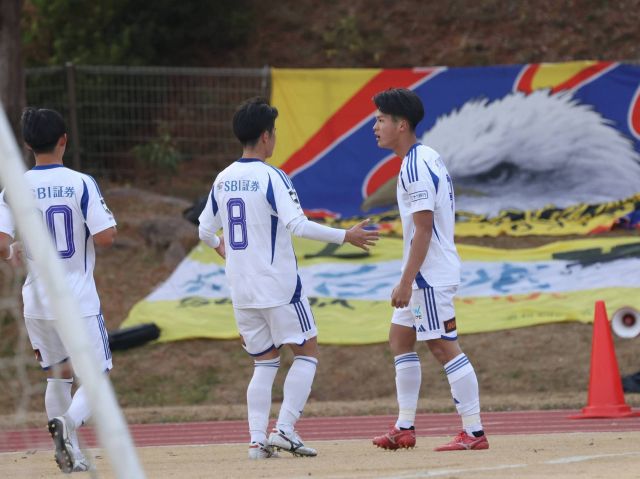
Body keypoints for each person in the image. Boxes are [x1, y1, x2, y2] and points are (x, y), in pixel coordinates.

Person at [198, 97, 379, 459]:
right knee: (307, 351)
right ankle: (284, 429)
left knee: (264, 361)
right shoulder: (272, 176)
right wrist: (345, 235)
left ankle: (256, 442)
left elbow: (204, 230)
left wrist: (221, 246)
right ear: (266, 136)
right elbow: (297, 224)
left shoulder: (223, 178)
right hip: (277, 286)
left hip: (242, 288)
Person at [370, 88, 489, 451]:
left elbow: (424, 228)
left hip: (428, 277)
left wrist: (407, 281)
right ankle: (404, 426)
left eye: (380, 120)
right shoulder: (425, 156)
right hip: (425, 274)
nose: (375, 127)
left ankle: (474, 432)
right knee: (400, 338)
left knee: (442, 346)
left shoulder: (416, 166)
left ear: (401, 124)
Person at [0, 108, 117, 472]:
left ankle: (70, 455)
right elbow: (106, 236)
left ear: (27, 144)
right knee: (97, 377)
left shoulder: (14, 187)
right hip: (76, 300)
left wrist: (15, 249)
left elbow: (1, 242)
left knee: (57, 375)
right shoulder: (81, 183)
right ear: (64, 139)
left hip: (36, 301)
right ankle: (68, 424)